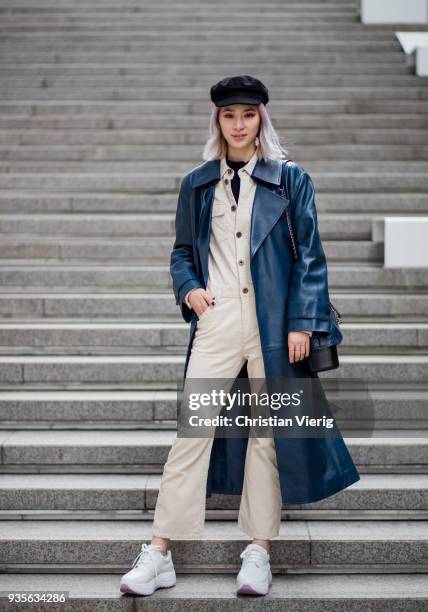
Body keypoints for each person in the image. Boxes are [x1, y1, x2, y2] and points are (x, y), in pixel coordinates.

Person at [120, 74, 360, 597]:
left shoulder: (290, 180)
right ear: (217, 121)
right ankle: (159, 552)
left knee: (267, 437)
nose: (238, 124)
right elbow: (183, 250)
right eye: (229, 116)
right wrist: (190, 291)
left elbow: (312, 258)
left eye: (247, 115)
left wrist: (303, 320)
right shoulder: (197, 182)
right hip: (218, 319)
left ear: (261, 119)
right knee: (192, 433)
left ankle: (258, 551)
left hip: (275, 324)